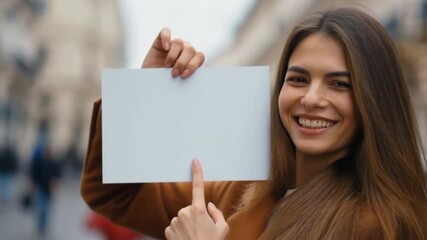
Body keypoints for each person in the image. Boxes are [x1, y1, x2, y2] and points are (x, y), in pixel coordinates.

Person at [80, 7, 427, 240]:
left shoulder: (384, 224)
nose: (310, 98)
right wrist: (142, 95)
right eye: (298, 79)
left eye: (340, 84)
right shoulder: (245, 186)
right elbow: (114, 193)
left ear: (376, 99)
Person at [30, 144, 61, 239]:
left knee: (47, 210)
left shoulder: (55, 164)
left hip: (49, 191)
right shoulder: (39, 163)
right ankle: (39, 227)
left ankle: (43, 227)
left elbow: (58, 176)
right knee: (40, 209)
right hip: (40, 188)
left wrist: (55, 183)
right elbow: (34, 174)